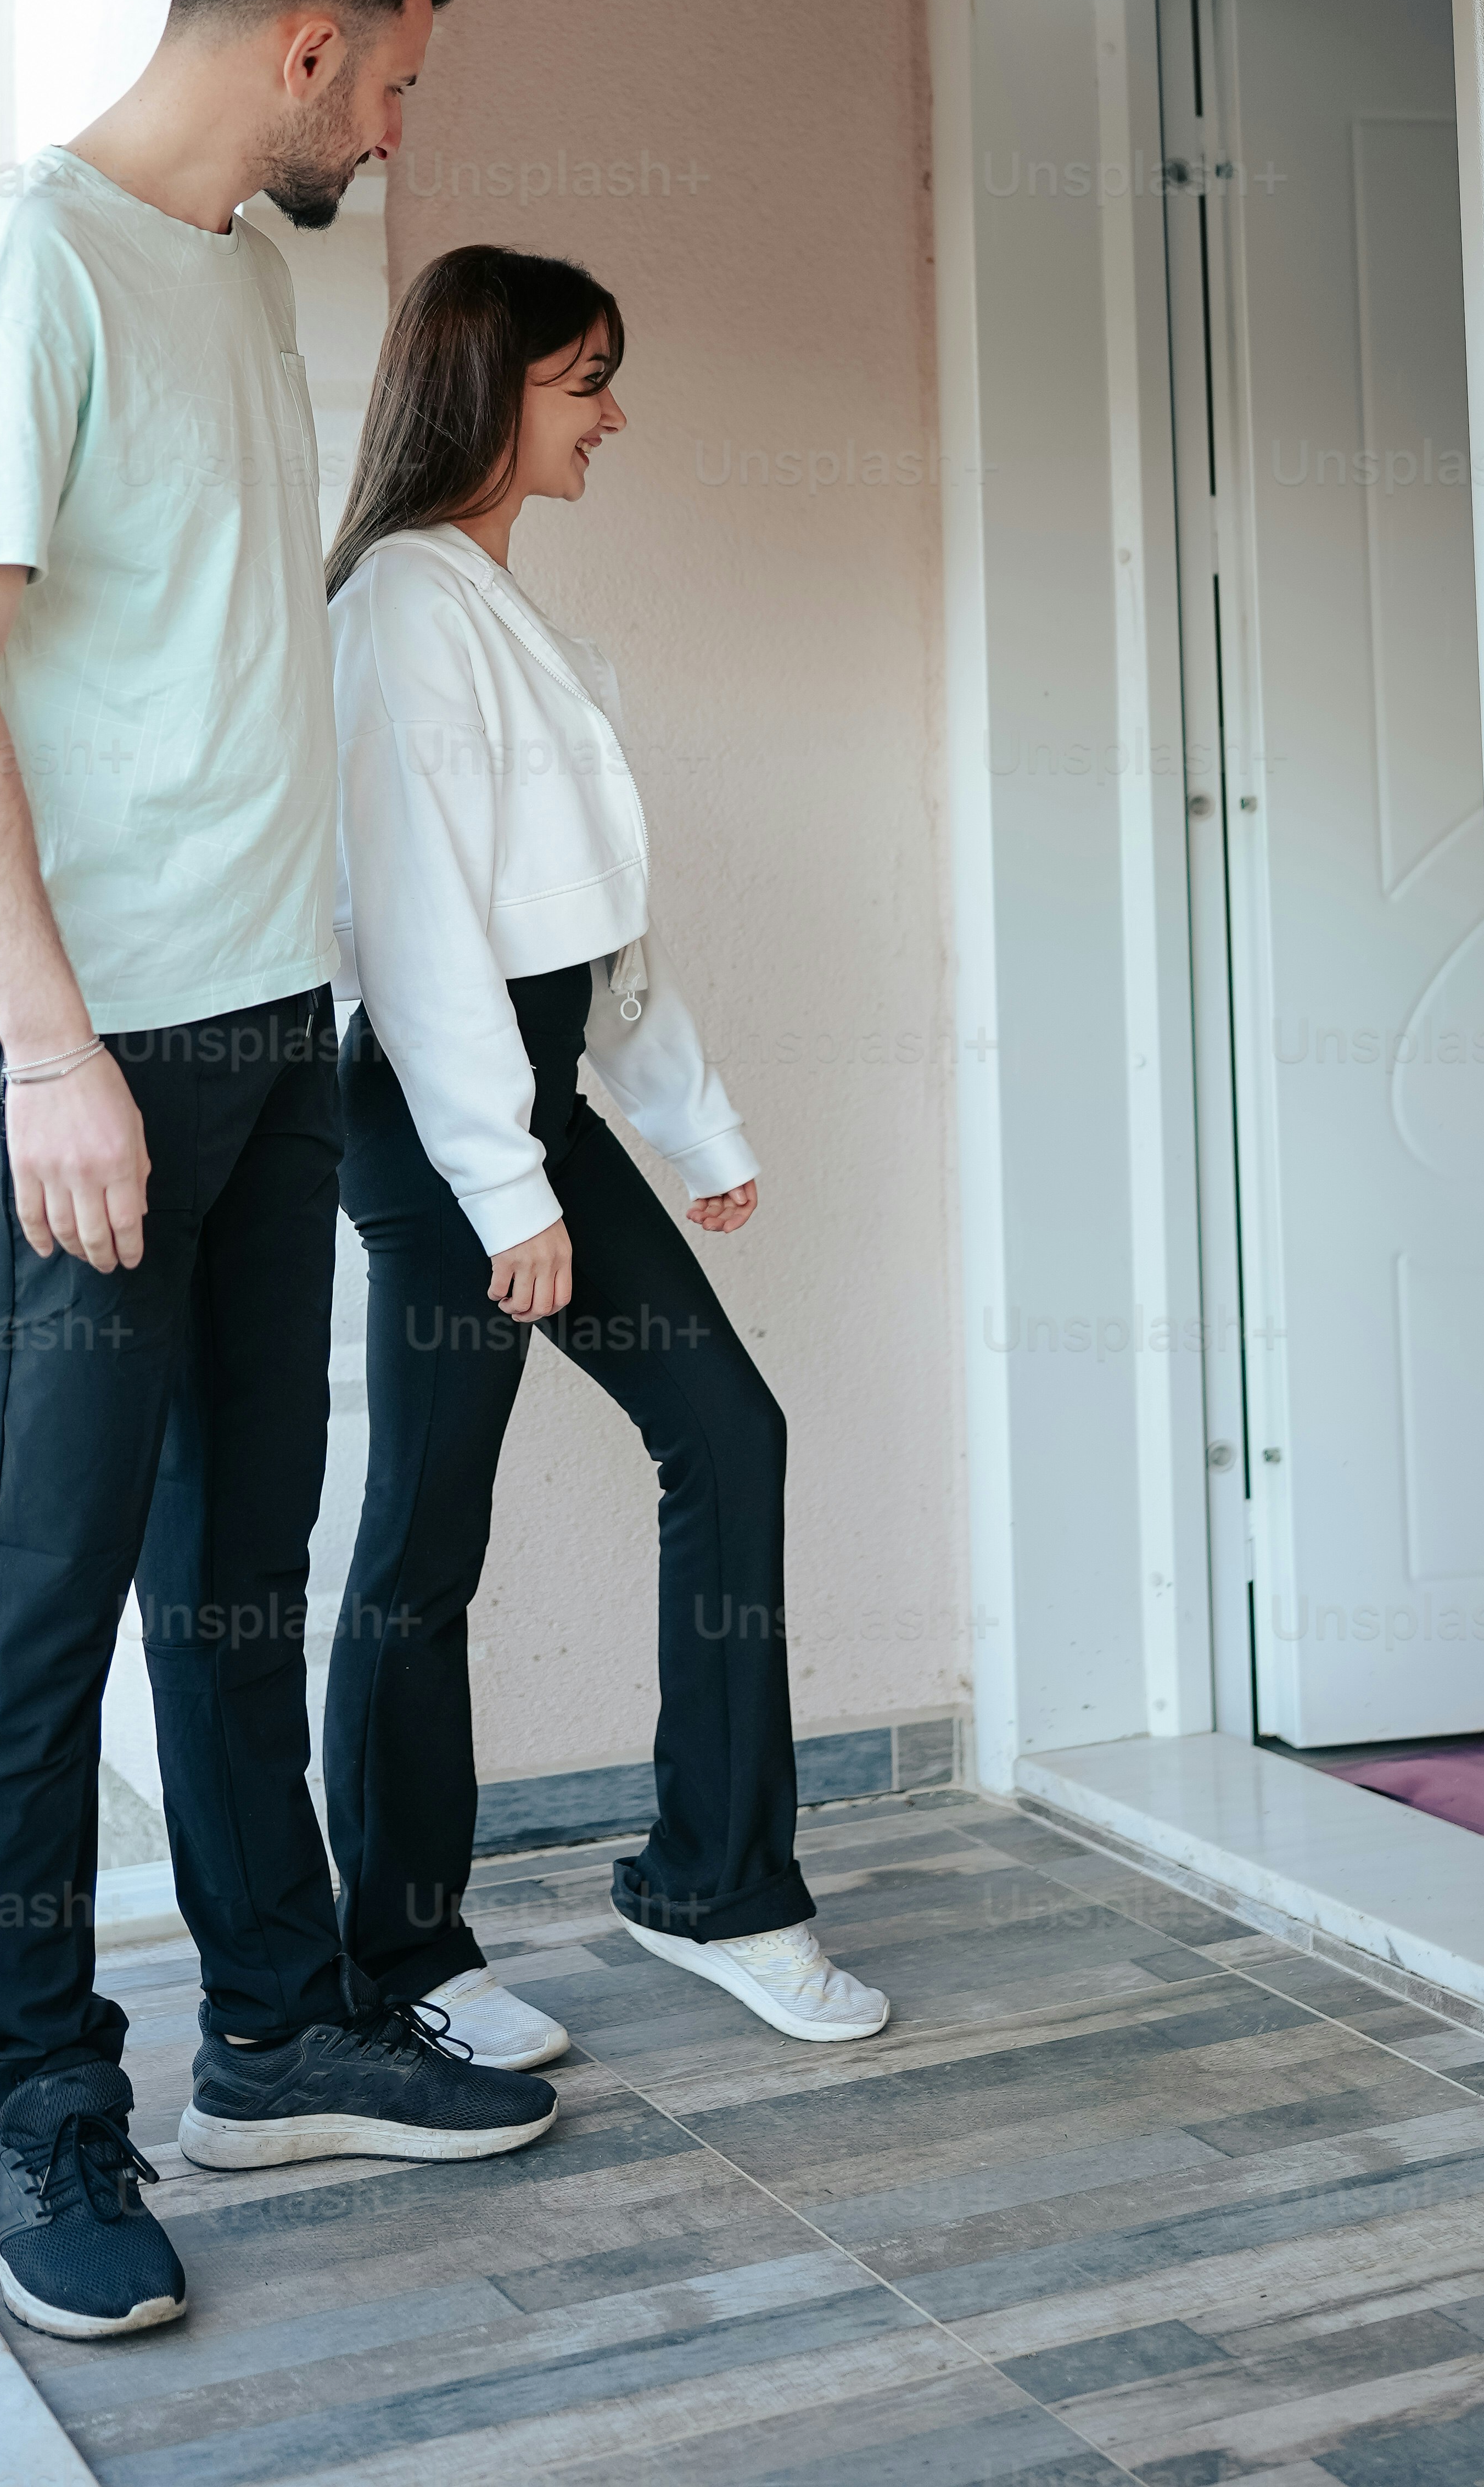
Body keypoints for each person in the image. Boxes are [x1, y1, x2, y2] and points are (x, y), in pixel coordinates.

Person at [0, 0, 557, 2350]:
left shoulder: (240, 274)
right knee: (39, 1606)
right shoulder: (22, 264)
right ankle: (42, 2098)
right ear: (309, 44)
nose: (389, 121)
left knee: (238, 1566)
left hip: (270, 1036)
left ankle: (272, 2027)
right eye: (390, 73)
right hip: (84, 1059)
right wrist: (51, 1043)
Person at [322, 245, 888, 2061]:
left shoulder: (526, 629)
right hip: (436, 1123)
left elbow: (590, 935)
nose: (614, 414)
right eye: (586, 381)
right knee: (426, 1536)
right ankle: (400, 1961)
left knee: (728, 1432)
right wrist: (507, 1188)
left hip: (532, 1102)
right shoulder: (401, 609)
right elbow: (417, 930)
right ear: (490, 392)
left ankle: (716, 1889)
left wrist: (688, 1126)